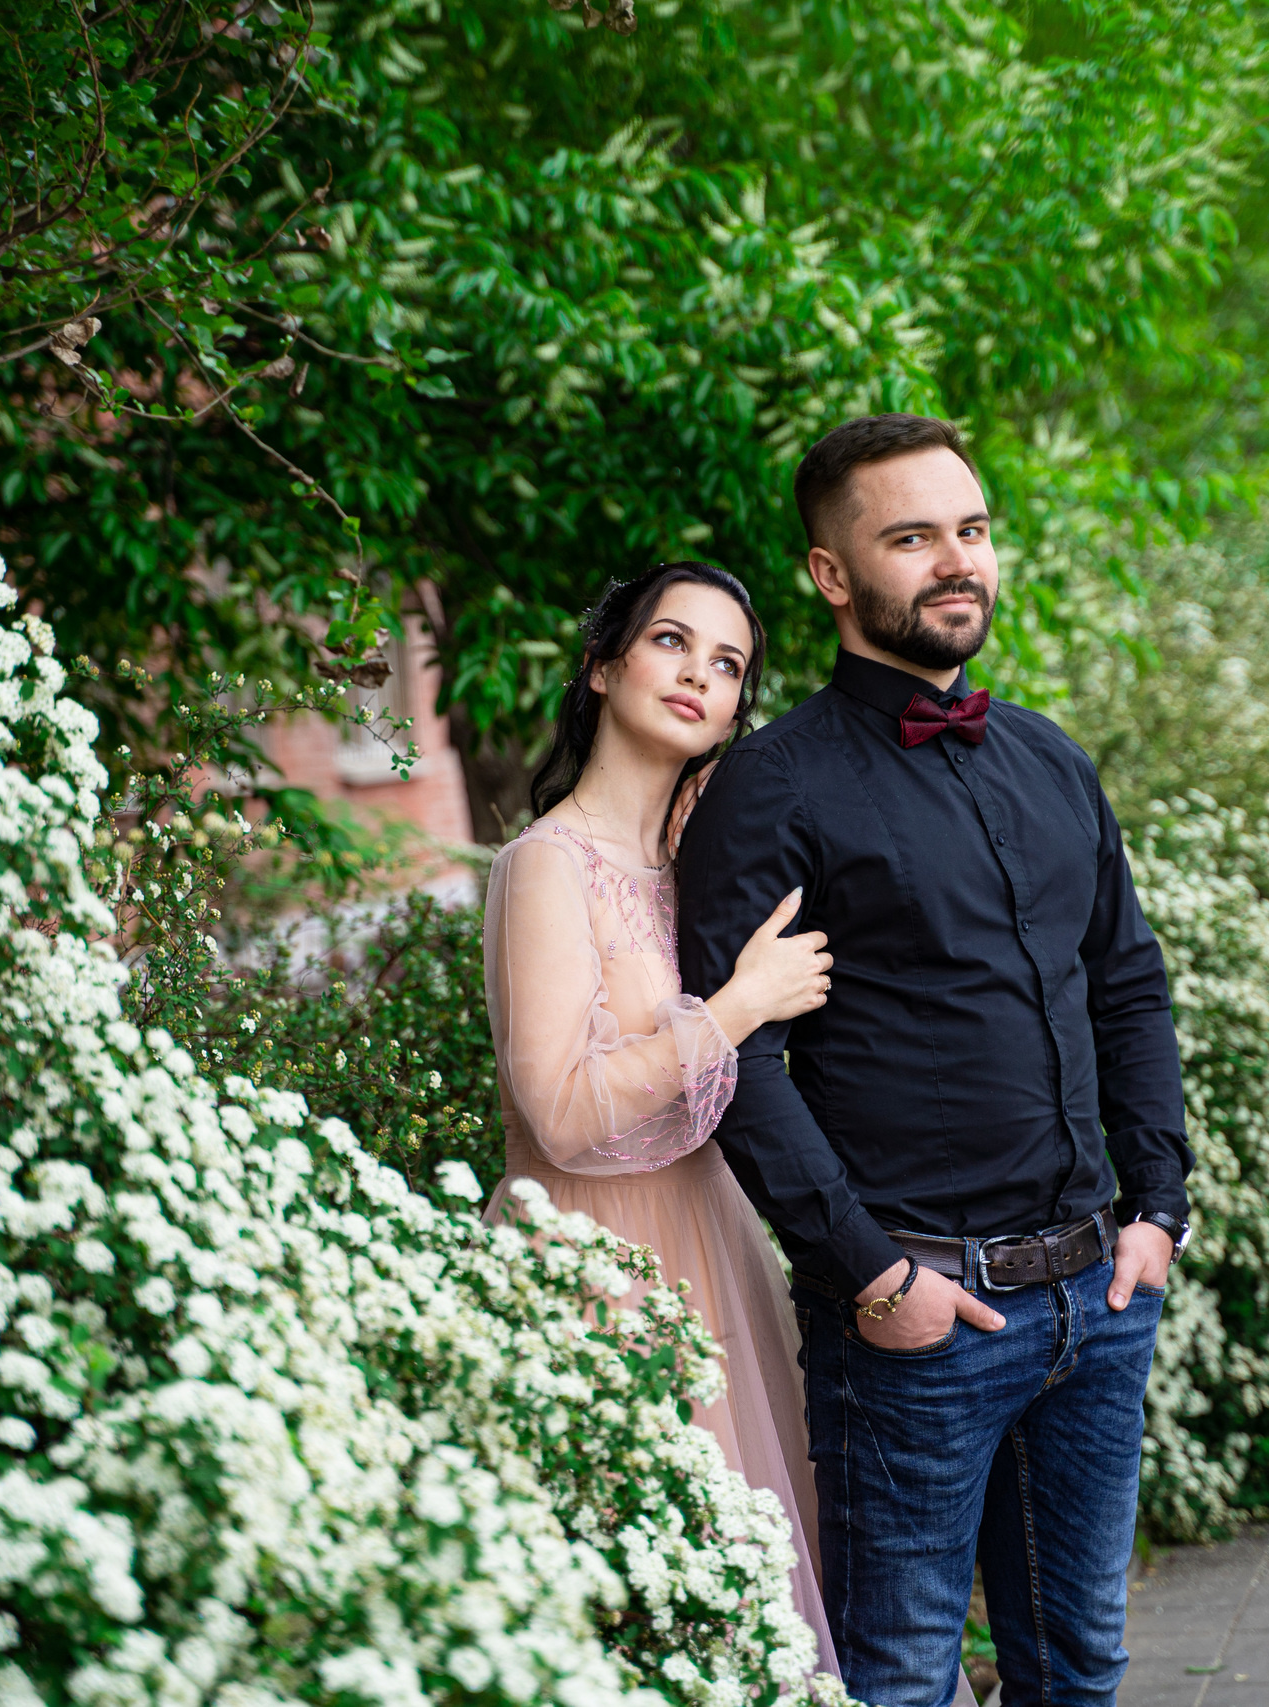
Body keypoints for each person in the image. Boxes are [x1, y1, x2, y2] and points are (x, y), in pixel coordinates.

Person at [675, 414, 1195, 1707]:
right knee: (898, 1678)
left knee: (1081, 1669)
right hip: (918, 1324)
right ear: (832, 575)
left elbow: (1126, 983)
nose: (955, 561)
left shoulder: (1050, 757)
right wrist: (872, 1270)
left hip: (1100, 1299)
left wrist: (1160, 1205)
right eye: (911, 538)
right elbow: (742, 1054)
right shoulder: (769, 788)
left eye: (969, 530)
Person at [477, 561, 843, 1672]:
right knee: (645, 1616)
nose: (698, 674)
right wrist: (734, 1008)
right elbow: (559, 1113)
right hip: (597, 1277)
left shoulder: (701, 870)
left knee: (759, 1598)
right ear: (602, 666)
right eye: (671, 642)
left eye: (726, 664)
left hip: (716, 1252)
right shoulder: (546, 866)